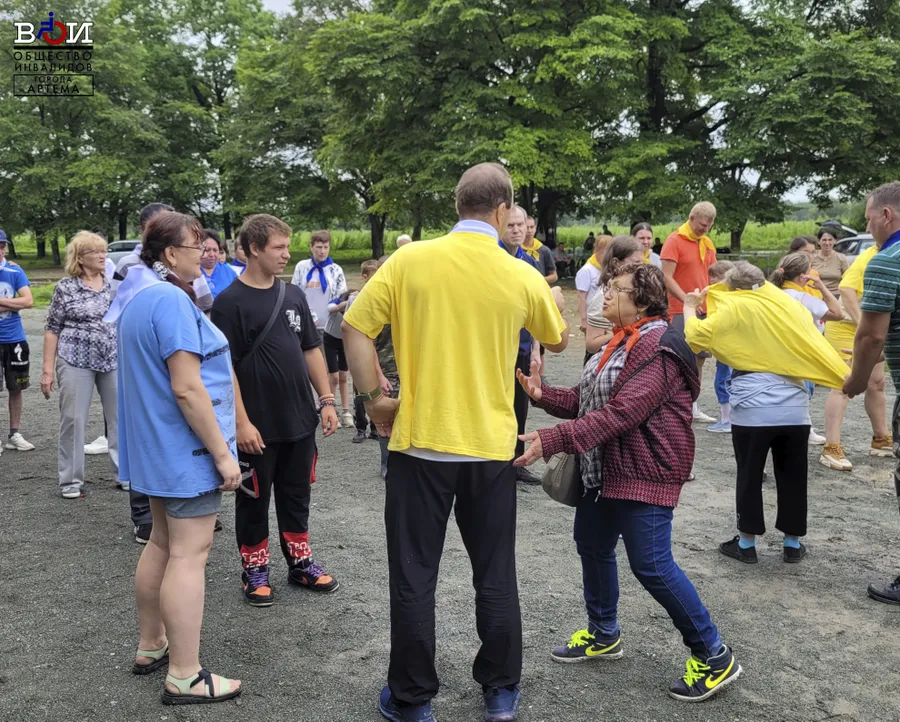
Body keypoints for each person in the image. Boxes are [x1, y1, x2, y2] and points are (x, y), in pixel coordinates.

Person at [342, 163, 568, 722]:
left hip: (420, 442)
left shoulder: (411, 259)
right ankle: (500, 692)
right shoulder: (521, 272)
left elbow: (353, 326)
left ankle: (413, 699)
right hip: (490, 447)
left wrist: (374, 400)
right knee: (494, 573)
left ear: (457, 205)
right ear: (502, 211)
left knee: (415, 575)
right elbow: (557, 338)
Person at [514, 262, 742, 703]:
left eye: (616, 291)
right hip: (607, 470)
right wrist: (545, 396)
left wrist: (552, 439)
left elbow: (623, 413)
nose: (606, 298)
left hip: (646, 468)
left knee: (652, 565)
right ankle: (604, 633)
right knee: (593, 545)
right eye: (607, 289)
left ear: (643, 300)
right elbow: (589, 400)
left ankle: (714, 654)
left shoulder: (657, 346)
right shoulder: (617, 344)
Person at [106, 210, 242, 705]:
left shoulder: (138, 298)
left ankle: (152, 643)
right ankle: (186, 674)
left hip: (153, 451)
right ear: (170, 254)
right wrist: (222, 454)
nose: (205, 253)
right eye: (196, 246)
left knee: (161, 545)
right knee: (190, 554)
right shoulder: (171, 301)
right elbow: (188, 388)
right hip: (182, 450)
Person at [211, 214, 340, 606]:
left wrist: (327, 399)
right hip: (256, 426)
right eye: (278, 248)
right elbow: (224, 368)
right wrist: (241, 421)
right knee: (253, 498)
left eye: (288, 247)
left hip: (300, 419)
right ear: (253, 249)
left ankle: (300, 563)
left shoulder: (294, 296)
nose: (287, 254)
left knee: (296, 494)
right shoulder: (229, 302)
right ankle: (254, 569)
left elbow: (311, 349)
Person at [684, 262, 847, 565]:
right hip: (795, 407)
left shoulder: (734, 308)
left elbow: (696, 337)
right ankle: (793, 544)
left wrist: (689, 307)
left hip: (752, 408)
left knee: (749, 474)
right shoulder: (790, 305)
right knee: (794, 476)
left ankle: (746, 544)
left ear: (732, 288)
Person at [843, 181, 900, 605]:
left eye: (868, 217)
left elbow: (870, 337)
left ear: (887, 215)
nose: (867, 225)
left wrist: (857, 380)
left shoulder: (887, 261)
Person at [40, 231, 119, 499]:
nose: (102, 255)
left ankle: (125, 474)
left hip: (112, 359)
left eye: (103, 251)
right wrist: (47, 370)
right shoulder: (66, 287)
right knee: (74, 419)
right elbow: (52, 329)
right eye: (95, 251)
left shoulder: (114, 285)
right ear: (81, 258)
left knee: (120, 417)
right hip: (74, 359)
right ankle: (70, 479)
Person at [500, 205, 566, 486]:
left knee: (520, 406)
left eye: (521, 225)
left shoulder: (529, 261)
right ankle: (497, 463)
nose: (517, 230)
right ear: (500, 225)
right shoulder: (493, 258)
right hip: (498, 343)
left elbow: (537, 310)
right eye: (511, 225)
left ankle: (516, 462)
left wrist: (537, 349)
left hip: (524, 346)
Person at [820, 242, 891, 471]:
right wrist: (865, 327)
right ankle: (831, 447)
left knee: (877, 383)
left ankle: (881, 440)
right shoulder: (872, 255)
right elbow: (847, 289)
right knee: (844, 383)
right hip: (848, 325)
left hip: (873, 327)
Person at [771, 252, 844, 445]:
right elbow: (838, 314)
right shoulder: (803, 298)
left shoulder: (773, 293)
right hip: (802, 352)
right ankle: (803, 428)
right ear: (803, 276)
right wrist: (822, 288)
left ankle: (791, 427)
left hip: (777, 349)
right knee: (803, 391)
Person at [661, 202, 718, 423]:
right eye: (702, 225)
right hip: (679, 309)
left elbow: (713, 275)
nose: (705, 229)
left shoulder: (707, 243)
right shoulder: (674, 241)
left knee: (699, 358)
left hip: (702, 308)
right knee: (677, 357)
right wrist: (686, 300)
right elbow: (666, 277)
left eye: (709, 226)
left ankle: (692, 405)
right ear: (692, 217)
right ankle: (672, 404)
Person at [291, 231, 353, 427]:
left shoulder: (336, 270)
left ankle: (329, 404)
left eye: (326, 247)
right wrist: (307, 315)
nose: (322, 251)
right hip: (306, 324)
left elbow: (341, 296)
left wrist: (332, 308)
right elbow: (295, 293)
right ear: (311, 247)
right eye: (319, 247)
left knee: (331, 370)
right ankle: (310, 403)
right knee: (305, 365)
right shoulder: (302, 267)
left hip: (330, 326)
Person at [0, 230, 35, 454]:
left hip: (15, 340)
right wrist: (14, 303)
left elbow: (29, 300)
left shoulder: (14, 270)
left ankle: (14, 433)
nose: (1, 250)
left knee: (17, 388)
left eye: (3, 246)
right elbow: (20, 302)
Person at [584, 236, 644, 361]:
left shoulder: (635, 289)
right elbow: (591, 344)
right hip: (604, 361)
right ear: (616, 263)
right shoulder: (604, 296)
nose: (640, 269)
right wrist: (622, 334)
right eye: (635, 263)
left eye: (642, 264)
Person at [352, 260, 381, 445]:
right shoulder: (356, 298)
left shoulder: (381, 296)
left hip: (379, 351)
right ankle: (360, 427)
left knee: (377, 390)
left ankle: (375, 428)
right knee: (360, 392)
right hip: (361, 350)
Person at [705, 261, 735, 433]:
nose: (711, 280)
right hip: (729, 344)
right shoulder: (737, 294)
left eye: (715, 276)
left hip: (725, 345)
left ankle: (727, 419)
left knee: (723, 379)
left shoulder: (719, 295)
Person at [575, 234, 612, 335]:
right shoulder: (587, 270)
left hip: (607, 318)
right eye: (605, 252)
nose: (608, 256)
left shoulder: (608, 269)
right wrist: (583, 319)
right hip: (593, 319)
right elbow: (581, 296)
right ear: (597, 251)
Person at [199, 229, 237, 299]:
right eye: (207, 250)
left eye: (215, 250)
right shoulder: (192, 273)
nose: (212, 254)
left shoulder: (229, 272)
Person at [812, 227, 850, 296]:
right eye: (824, 240)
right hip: (816, 295)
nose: (827, 243)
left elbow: (848, 279)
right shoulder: (812, 258)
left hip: (836, 295)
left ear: (835, 241)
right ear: (818, 241)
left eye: (830, 240)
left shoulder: (841, 258)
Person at [522, 215, 557, 284]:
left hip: (540, 289)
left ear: (535, 228)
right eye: (526, 227)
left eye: (531, 227)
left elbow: (554, 276)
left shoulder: (544, 250)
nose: (529, 230)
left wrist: (538, 280)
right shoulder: (515, 250)